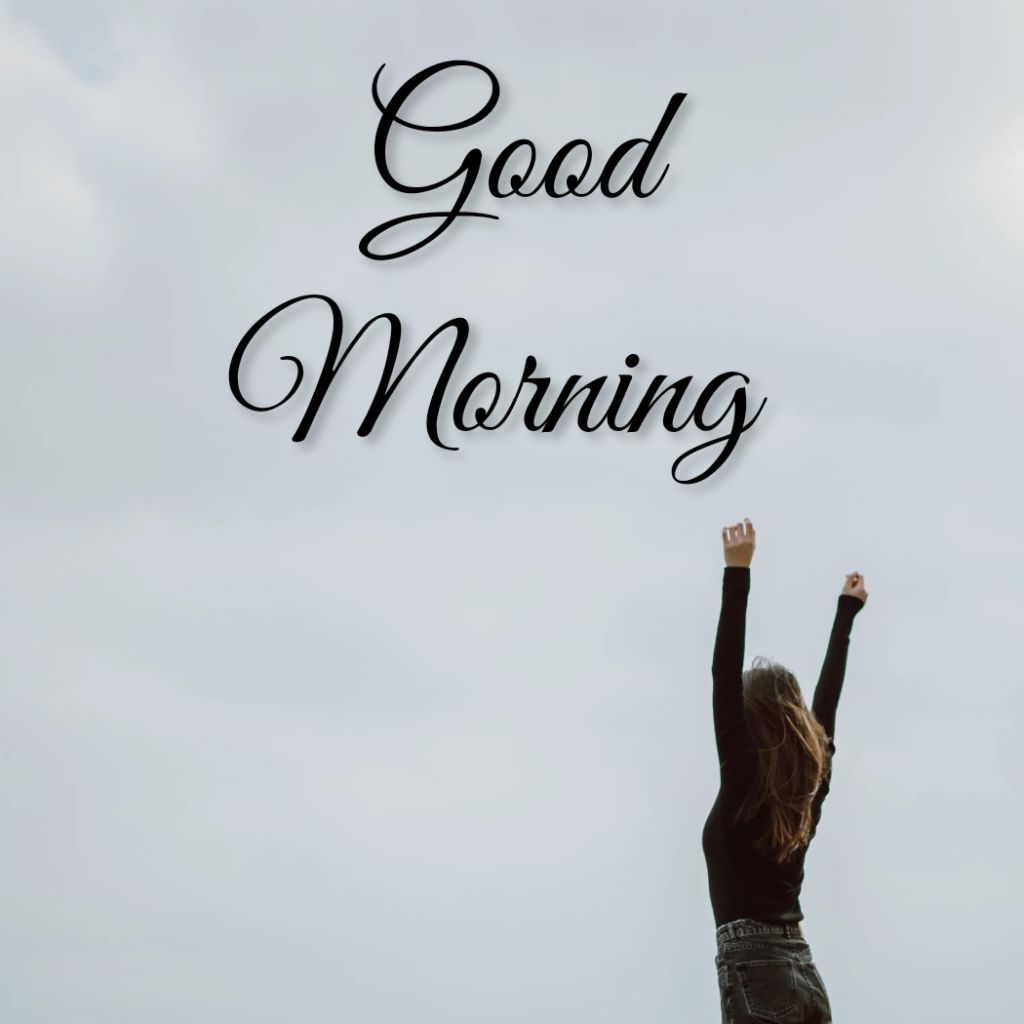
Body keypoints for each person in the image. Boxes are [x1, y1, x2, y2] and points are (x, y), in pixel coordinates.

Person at [704, 518, 866, 1024]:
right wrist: (845, 616)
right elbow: (826, 712)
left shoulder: (743, 781)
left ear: (748, 719)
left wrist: (737, 572)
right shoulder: (806, 795)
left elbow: (723, 674)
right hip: (803, 971)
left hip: (758, 977)